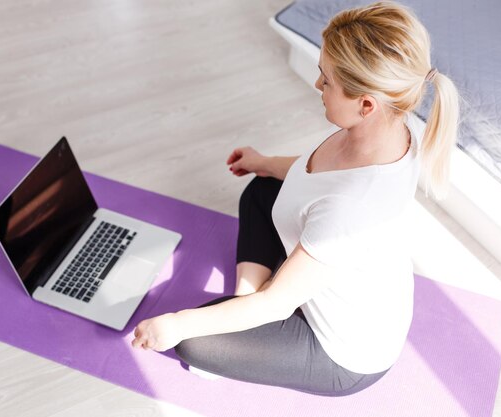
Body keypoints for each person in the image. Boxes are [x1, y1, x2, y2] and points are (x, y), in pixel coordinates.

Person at [131, 0, 460, 396]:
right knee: (262, 188)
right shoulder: (389, 126)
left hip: (344, 354)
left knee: (190, 339)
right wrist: (266, 162)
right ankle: (241, 306)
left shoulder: (349, 208)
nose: (317, 85)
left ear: (365, 104)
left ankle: (240, 318)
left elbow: (275, 304)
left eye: (327, 80)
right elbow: (314, 172)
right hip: (354, 280)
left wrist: (175, 325)